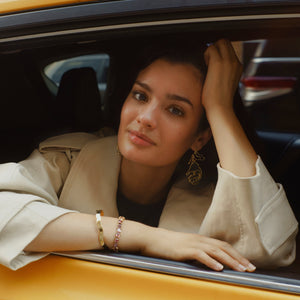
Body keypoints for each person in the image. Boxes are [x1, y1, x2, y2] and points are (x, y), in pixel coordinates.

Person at [0, 39, 297, 272]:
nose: (145, 118)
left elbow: (272, 249)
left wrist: (219, 108)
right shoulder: (64, 160)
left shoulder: (219, 197)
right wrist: (144, 237)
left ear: (199, 137)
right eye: (140, 96)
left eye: (175, 110)